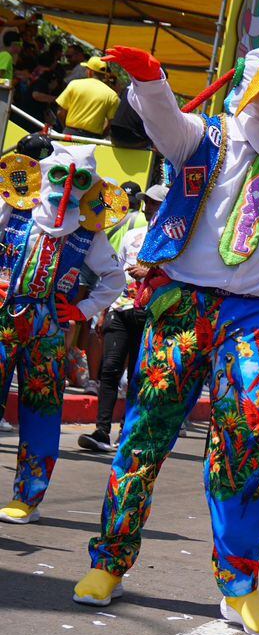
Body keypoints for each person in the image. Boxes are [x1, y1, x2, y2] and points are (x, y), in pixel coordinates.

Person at [76, 45, 259, 635]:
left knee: (245, 446)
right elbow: (167, 127)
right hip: (185, 302)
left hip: (257, 315)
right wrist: (151, 81)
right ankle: (109, 562)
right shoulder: (210, 138)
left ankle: (240, 584)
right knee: (145, 432)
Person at [0, 144, 126, 523]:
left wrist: (81, 309)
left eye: (80, 180)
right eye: (60, 175)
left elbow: (114, 279)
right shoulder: (15, 208)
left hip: (49, 330)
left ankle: (28, 497)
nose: (68, 186)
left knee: (42, 411)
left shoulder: (88, 233)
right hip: (4, 315)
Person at [79, 185, 166, 454]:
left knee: (138, 375)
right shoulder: (132, 235)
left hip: (152, 313)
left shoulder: (173, 241)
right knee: (110, 369)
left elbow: (179, 275)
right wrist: (105, 310)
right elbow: (117, 274)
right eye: (146, 202)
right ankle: (102, 431)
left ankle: (127, 433)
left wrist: (151, 270)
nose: (149, 207)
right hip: (121, 308)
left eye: (154, 203)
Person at [54, 56, 120, 138]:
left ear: (90, 72)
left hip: (70, 134)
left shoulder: (74, 84)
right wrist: (101, 136)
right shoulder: (112, 95)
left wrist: (67, 129)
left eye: (86, 69)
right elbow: (111, 123)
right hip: (93, 139)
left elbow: (60, 112)